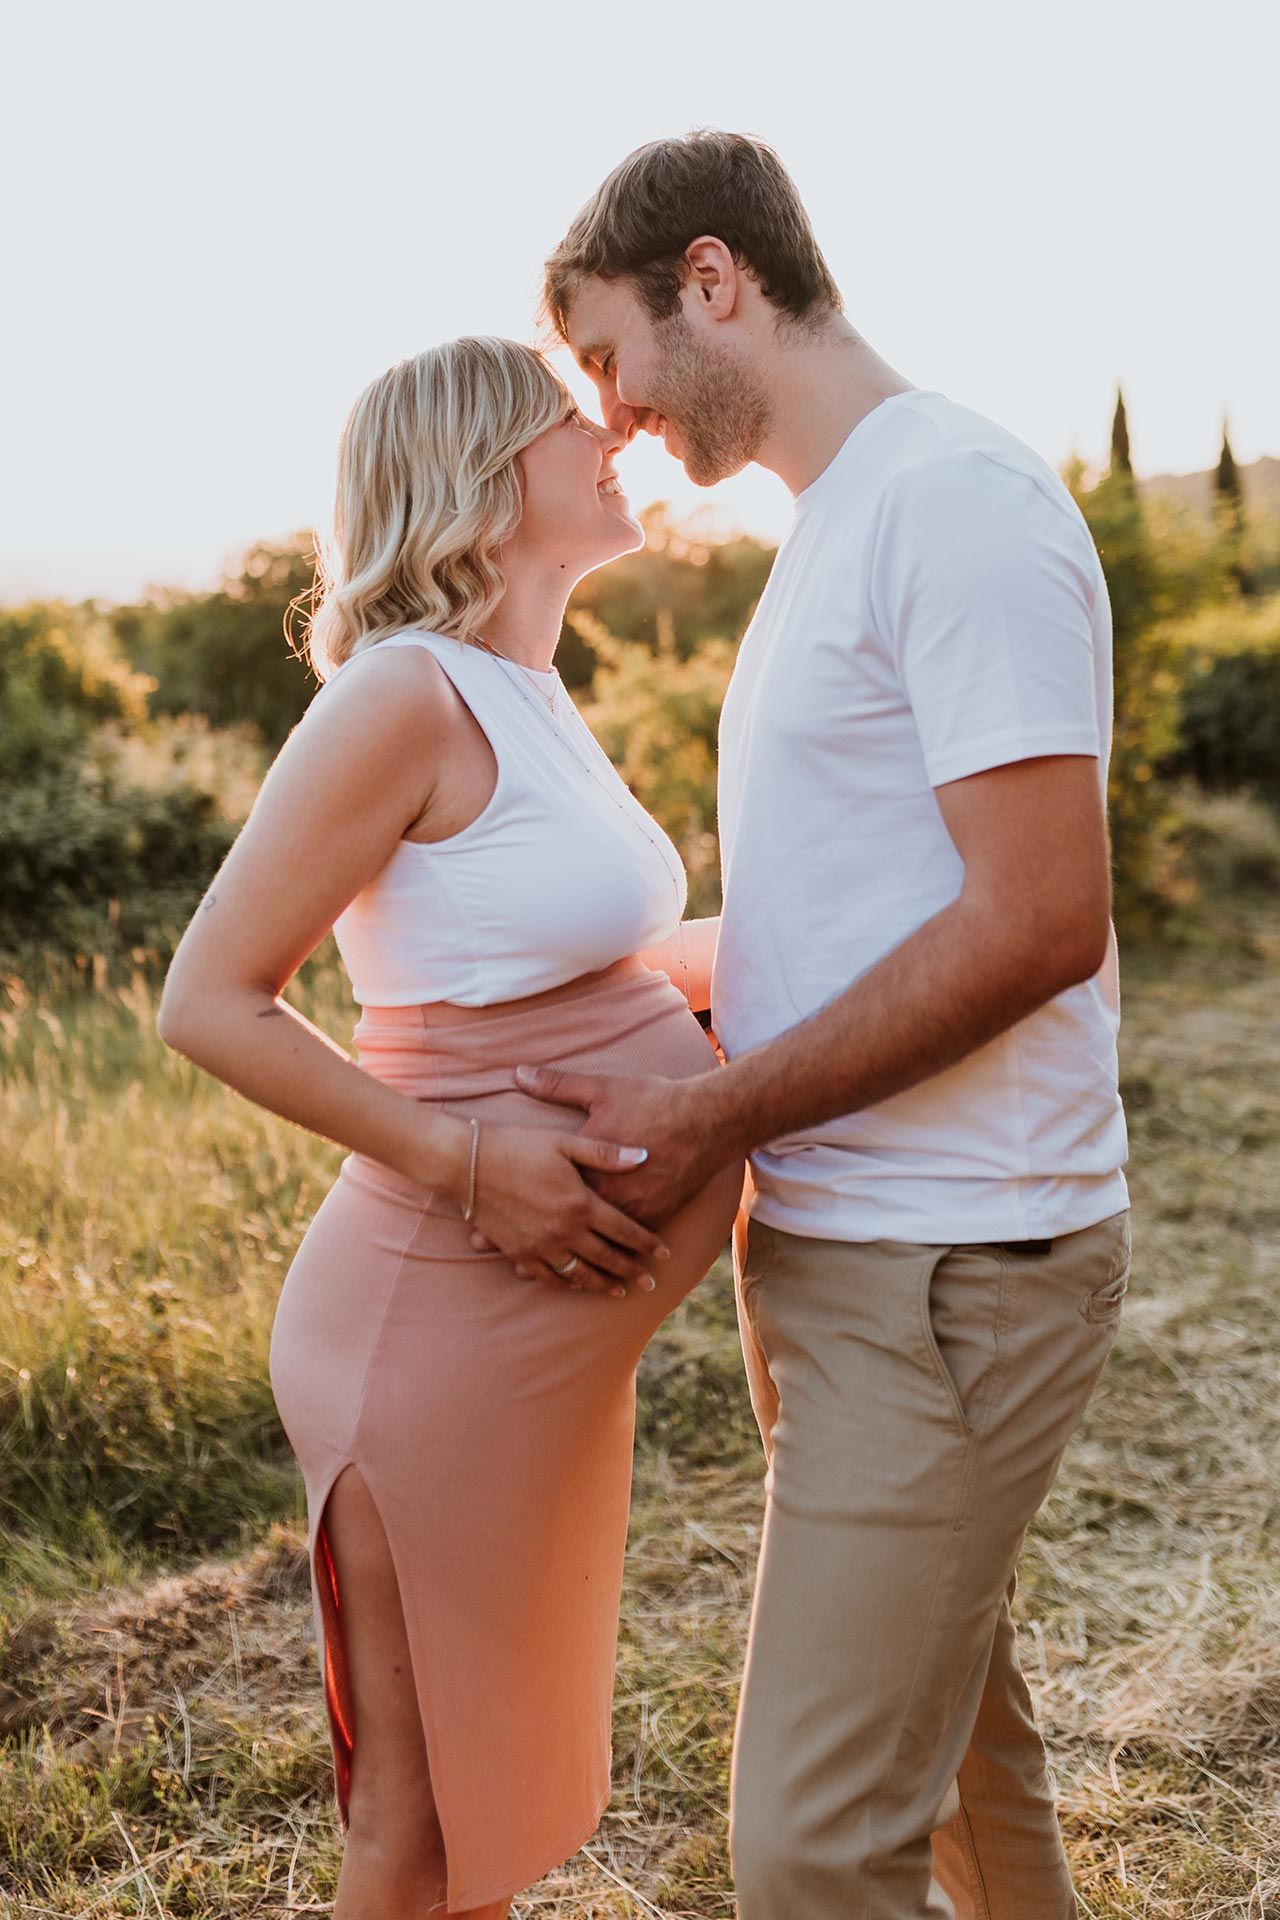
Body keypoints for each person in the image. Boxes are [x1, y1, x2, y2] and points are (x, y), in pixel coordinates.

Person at [497, 129, 1133, 1919]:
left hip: (956, 1271)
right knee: (961, 1789)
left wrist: (711, 1118)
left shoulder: (956, 503)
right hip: (860, 1255)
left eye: (609, 353)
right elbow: (841, 915)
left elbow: (1037, 921)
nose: (607, 412)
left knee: (807, 1852)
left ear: (715, 282)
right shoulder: (842, 522)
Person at [156, 335, 745, 1920]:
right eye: (576, 417)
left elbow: (579, 970)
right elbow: (208, 998)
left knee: (502, 1805)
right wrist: (474, 1164)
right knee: (419, 1826)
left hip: (541, 1342)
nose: (612, 428)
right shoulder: (401, 696)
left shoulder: (531, 688)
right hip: (434, 1318)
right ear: (485, 481)